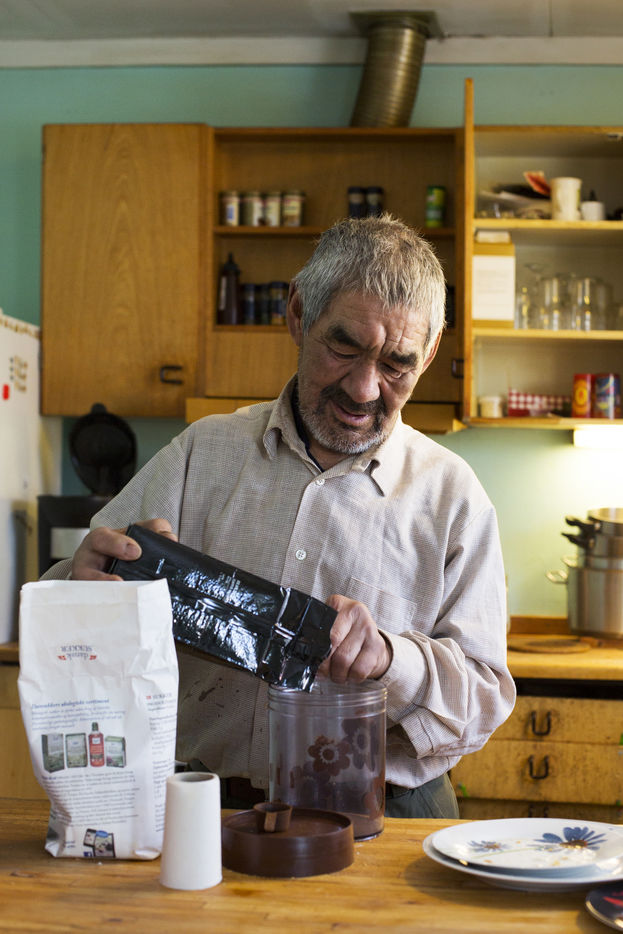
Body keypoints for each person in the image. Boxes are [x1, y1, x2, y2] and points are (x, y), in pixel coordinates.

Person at [43, 214, 516, 818]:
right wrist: (80, 586)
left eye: (396, 364)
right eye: (343, 348)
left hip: (383, 815)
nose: (365, 388)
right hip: (207, 810)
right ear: (297, 313)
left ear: (428, 355)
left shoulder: (453, 497)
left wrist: (391, 660)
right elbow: (60, 618)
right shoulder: (201, 454)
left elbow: (484, 696)